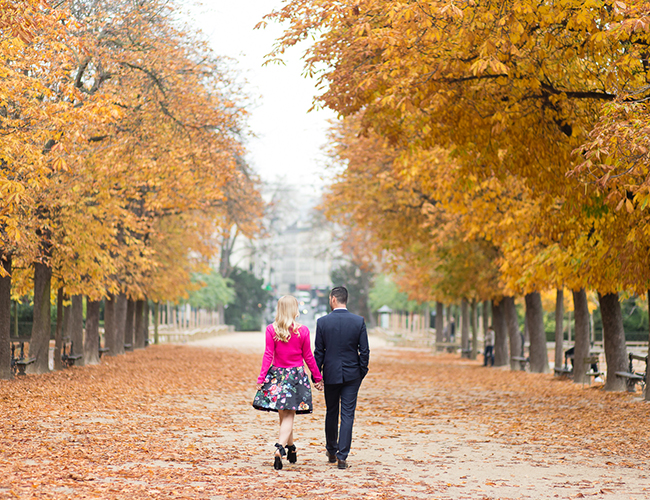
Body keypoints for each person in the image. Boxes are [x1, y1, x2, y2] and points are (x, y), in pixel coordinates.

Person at [253, 295, 324, 470]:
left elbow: (268, 355)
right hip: (296, 377)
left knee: (284, 415)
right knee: (289, 415)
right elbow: (308, 356)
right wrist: (317, 377)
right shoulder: (303, 331)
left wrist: (261, 378)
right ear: (294, 309)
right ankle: (280, 448)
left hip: (277, 375)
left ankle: (291, 448)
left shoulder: (272, 329)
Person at [315, 286, 370, 469]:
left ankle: (331, 449)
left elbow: (319, 352)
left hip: (330, 373)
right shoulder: (358, 321)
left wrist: (317, 376)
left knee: (332, 412)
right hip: (352, 374)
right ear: (346, 299)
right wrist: (361, 372)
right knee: (348, 414)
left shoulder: (322, 322)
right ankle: (342, 456)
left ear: (332, 299)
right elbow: (364, 351)